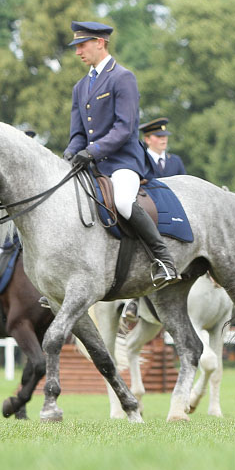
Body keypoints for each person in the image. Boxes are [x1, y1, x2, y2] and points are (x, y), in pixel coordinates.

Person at [63, 21, 178, 288]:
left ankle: (163, 259)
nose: (78, 52)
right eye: (77, 47)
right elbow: (78, 133)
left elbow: (125, 128)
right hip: (93, 164)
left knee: (124, 202)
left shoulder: (122, 77)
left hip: (122, 161)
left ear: (99, 43)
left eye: (82, 45)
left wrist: (91, 151)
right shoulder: (80, 87)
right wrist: (69, 154)